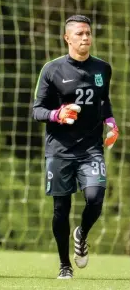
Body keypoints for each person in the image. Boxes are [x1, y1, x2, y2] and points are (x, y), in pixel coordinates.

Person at [32, 15, 119, 279]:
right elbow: (37, 110)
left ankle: (81, 233)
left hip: (91, 148)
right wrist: (57, 115)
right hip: (59, 149)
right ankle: (64, 265)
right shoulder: (51, 70)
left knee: (94, 197)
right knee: (61, 209)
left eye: (88, 33)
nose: (85, 38)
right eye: (79, 33)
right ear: (67, 38)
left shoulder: (103, 68)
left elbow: (104, 101)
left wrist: (111, 122)